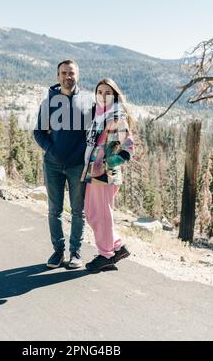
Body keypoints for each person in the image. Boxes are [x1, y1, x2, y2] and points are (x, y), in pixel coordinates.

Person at [34, 60, 93, 269]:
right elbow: (38, 132)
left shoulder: (88, 102)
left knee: (78, 211)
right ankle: (58, 252)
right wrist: (52, 150)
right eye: (64, 73)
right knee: (54, 210)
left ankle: (75, 252)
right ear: (58, 76)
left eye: (72, 73)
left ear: (78, 75)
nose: (68, 76)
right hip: (52, 165)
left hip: (78, 165)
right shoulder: (48, 103)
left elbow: (95, 131)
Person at [81, 78, 134, 272]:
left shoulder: (116, 117)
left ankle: (106, 256)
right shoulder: (99, 115)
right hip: (93, 172)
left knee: (100, 214)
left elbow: (128, 148)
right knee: (93, 212)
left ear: (115, 96)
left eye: (107, 93)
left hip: (104, 174)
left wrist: (106, 164)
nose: (103, 96)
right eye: (100, 92)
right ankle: (117, 247)